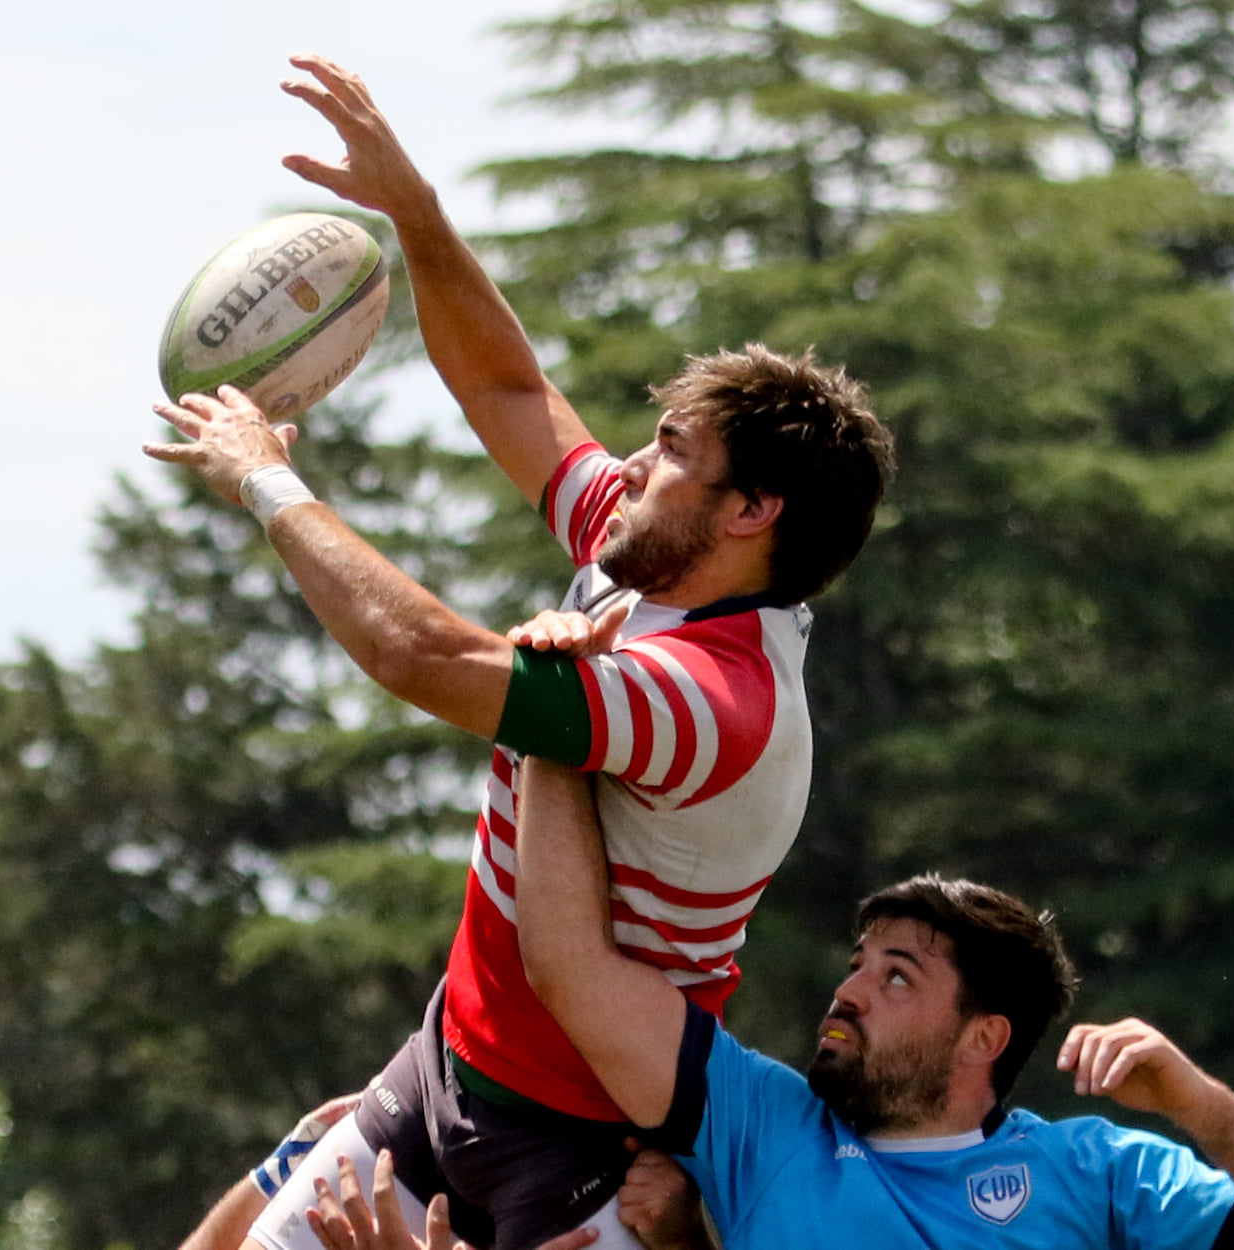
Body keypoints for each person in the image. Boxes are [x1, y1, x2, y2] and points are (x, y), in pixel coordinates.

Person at [143, 54, 895, 1250]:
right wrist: (416, 211)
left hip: (583, 1155)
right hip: (446, 1072)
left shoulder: (720, 698)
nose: (629, 466)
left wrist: (268, 479)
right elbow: (503, 382)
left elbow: (414, 653)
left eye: (668, 450)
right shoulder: (645, 550)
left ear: (750, 513)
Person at [498, 755, 1234, 1250]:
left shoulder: (1095, 1172)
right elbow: (571, 966)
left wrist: (1200, 1105)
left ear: (983, 1037)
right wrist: (553, 725)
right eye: (858, 963)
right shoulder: (761, 1123)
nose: (847, 991)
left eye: (897, 976)